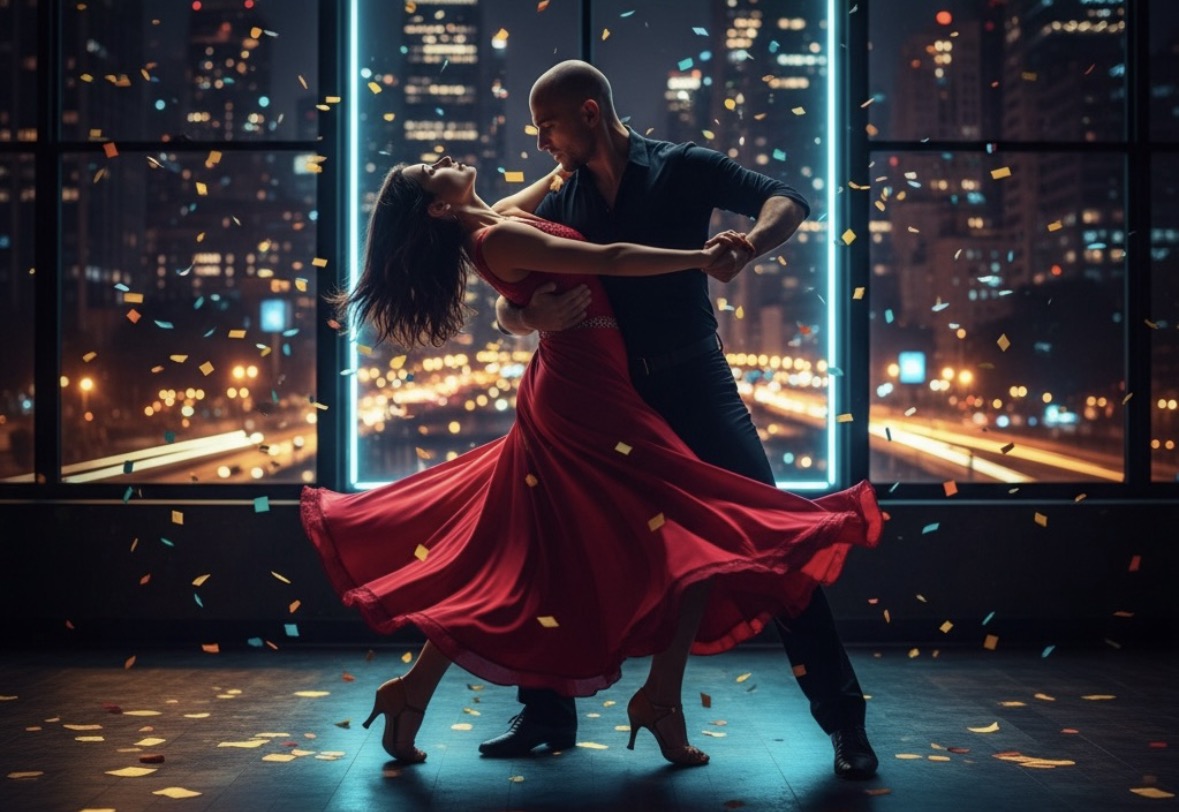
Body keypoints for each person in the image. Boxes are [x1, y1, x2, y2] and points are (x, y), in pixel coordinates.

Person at [301, 155, 881, 769]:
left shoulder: (511, 209)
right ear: (437, 207)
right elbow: (602, 261)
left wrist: (524, 304)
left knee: (533, 546)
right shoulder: (498, 230)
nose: (444, 158)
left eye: (548, 125)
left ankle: (418, 693)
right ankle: (648, 699)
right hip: (587, 392)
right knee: (684, 533)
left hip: (629, 382)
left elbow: (537, 219)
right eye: (430, 170)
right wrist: (699, 260)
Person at [480, 59, 881, 781]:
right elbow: (504, 284)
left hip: (695, 383)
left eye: (548, 126)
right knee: (556, 541)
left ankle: (845, 725)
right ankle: (545, 717)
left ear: (590, 112)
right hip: (603, 398)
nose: (541, 143)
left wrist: (749, 246)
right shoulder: (560, 199)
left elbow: (786, 199)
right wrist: (523, 316)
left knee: (772, 539)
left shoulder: (684, 167)